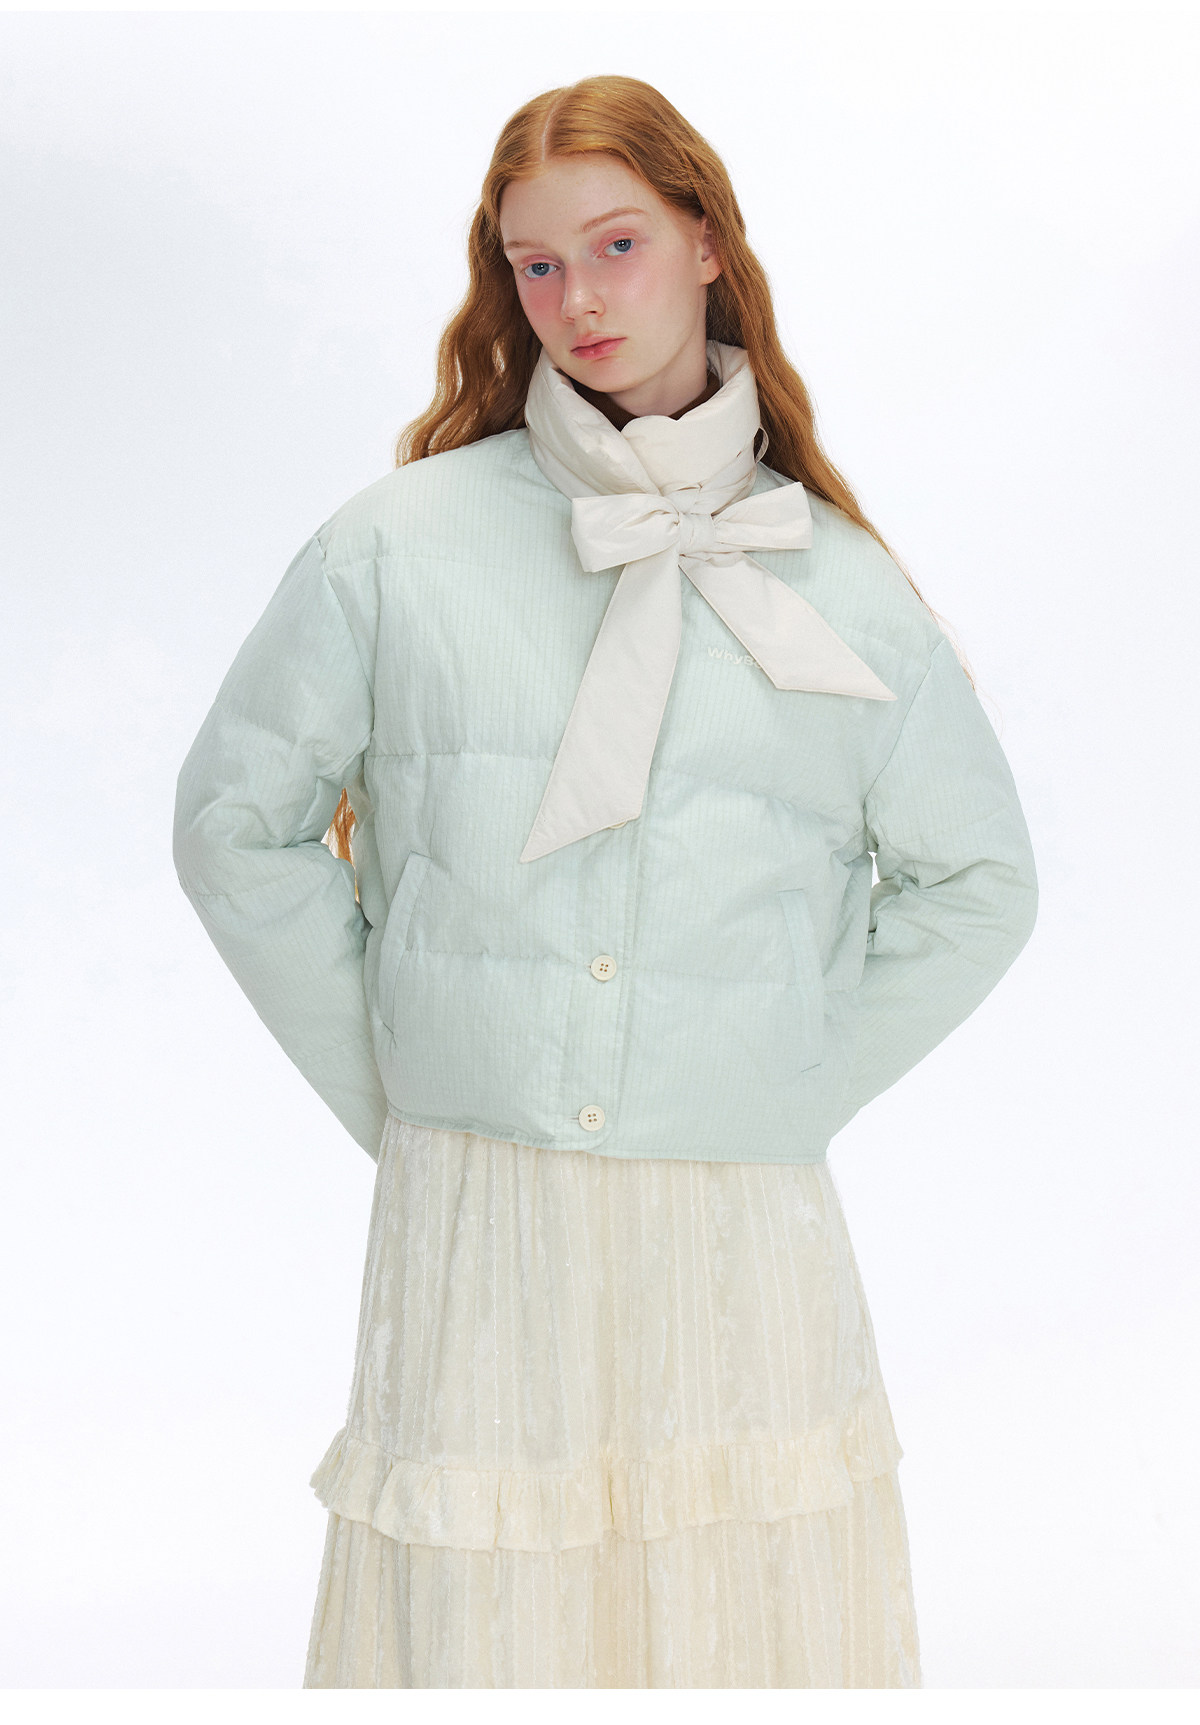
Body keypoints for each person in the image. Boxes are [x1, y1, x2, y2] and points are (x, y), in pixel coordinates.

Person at [173, 74, 1038, 1689]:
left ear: (708, 243)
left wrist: (780, 1069)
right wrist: (404, 1074)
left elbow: (980, 878)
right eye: (537, 262)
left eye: (618, 243)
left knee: (734, 1624)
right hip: (481, 1205)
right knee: (490, 1626)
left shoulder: (844, 587)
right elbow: (234, 820)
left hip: (737, 1222)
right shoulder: (395, 549)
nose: (577, 297)